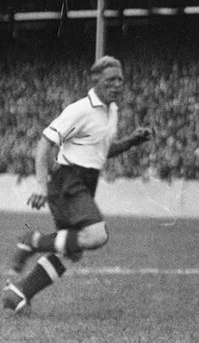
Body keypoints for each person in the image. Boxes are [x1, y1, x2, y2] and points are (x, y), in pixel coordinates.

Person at [3, 56, 153, 315]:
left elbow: (101, 150)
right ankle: (33, 240)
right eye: (110, 80)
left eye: (120, 80)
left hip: (85, 181)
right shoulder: (80, 110)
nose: (116, 85)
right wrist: (40, 185)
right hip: (67, 181)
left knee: (71, 251)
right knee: (96, 235)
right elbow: (44, 144)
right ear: (95, 81)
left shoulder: (111, 110)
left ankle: (18, 293)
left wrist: (132, 141)